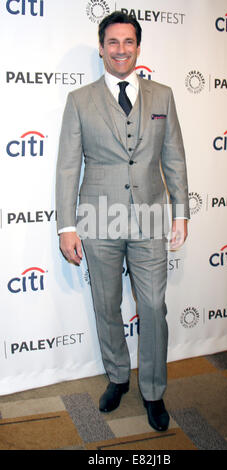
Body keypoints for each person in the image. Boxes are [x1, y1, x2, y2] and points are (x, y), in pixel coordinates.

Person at [56, 11, 189, 432]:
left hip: (151, 216)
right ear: (101, 47)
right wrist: (66, 226)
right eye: (112, 42)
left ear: (137, 47)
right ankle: (117, 375)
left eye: (128, 42)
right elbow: (66, 167)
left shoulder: (162, 96)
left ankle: (153, 389)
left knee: (152, 307)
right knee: (106, 304)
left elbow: (174, 157)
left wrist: (181, 211)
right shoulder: (80, 100)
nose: (120, 49)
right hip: (98, 218)